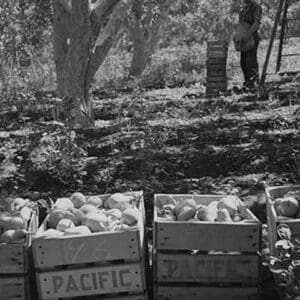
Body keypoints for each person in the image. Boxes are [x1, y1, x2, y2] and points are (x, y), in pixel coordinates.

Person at [238, 0, 262, 90]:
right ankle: (247, 82)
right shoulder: (243, 10)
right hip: (243, 40)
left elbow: (256, 23)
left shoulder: (256, 8)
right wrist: (237, 36)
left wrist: (248, 34)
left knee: (251, 61)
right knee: (243, 62)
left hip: (252, 38)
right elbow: (241, 25)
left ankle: (254, 83)